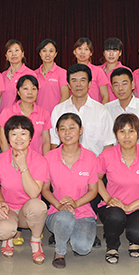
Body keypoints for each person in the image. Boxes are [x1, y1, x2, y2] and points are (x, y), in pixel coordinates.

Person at [97, 114, 139, 265]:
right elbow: (96, 179)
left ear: (138, 133)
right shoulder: (107, 155)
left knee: (138, 235)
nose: (127, 136)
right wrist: (108, 199)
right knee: (115, 217)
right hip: (113, 206)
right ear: (116, 134)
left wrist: (130, 207)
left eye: (131, 131)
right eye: (122, 131)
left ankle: (134, 241)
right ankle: (112, 246)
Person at [0, 115, 49, 264]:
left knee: (38, 205)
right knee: (3, 232)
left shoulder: (40, 161)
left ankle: (35, 241)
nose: (18, 138)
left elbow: (34, 193)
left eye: (23, 133)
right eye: (13, 133)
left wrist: (23, 166)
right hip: (7, 209)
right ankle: (8, 238)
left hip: (28, 212)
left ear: (31, 137)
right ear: (8, 137)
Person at [42, 113, 98, 269]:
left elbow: (93, 190)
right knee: (65, 217)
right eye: (62, 129)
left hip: (83, 211)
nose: (67, 132)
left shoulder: (91, 157)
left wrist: (75, 203)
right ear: (57, 132)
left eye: (72, 128)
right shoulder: (50, 157)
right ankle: (60, 252)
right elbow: (45, 189)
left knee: (83, 248)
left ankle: (66, 233)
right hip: (57, 212)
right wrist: (60, 206)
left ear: (81, 130)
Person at [50, 64, 115, 157]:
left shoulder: (101, 111)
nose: (78, 85)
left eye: (82, 80)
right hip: (66, 163)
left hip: (95, 163)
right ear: (68, 85)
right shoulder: (58, 110)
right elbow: (54, 143)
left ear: (89, 84)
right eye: (74, 80)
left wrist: (98, 165)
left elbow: (108, 144)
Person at [0, 75, 52, 155]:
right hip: (14, 159)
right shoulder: (7, 112)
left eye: (33, 89)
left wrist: (44, 159)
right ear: (18, 92)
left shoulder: (43, 112)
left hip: (37, 159)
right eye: (25, 89)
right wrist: (11, 159)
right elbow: (3, 141)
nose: (30, 92)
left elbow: (46, 141)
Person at [34, 39, 70, 114]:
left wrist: (55, 113)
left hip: (57, 115)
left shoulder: (62, 72)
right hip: (38, 115)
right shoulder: (34, 74)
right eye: (44, 51)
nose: (47, 54)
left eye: (51, 51)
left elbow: (65, 96)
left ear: (55, 54)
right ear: (40, 53)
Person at [1, 39, 35, 112]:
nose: (13, 54)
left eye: (16, 50)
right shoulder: (3, 75)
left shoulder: (30, 74)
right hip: (4, 114)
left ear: (22, 54)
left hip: (21, 115)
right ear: (6, 56)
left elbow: (32, 98)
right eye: (10, 51)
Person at [73, 37, 109, 103]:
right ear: (74, 52)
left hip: (94, 108)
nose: (82, 52)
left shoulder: (98, 71)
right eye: (79, 49)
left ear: (91, 53)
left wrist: (100, 109)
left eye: (86, 49)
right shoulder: (70, 72)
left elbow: (105, 97)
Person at [100, 37, 131, 103]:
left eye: (114, 51)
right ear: (104, 53)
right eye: (108, 51)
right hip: (99, 107)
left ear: (120, 53)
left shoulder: (125, 71)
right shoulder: (97, 70)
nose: (111, 54)